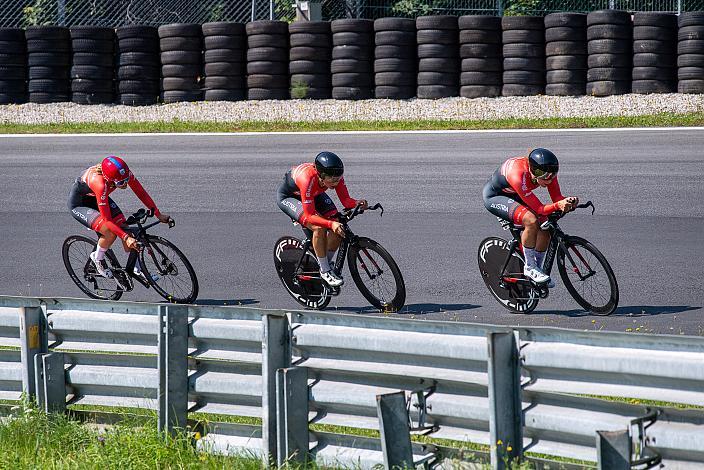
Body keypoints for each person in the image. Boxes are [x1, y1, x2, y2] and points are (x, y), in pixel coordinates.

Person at [483, 148, 578, 285]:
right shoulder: (518, 174)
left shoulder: (547, 172)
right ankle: (529, 267)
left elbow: (557, 198)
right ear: (533, 170)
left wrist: (568, 201)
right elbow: (539, 208)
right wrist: (558, 205)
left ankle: (537, 269)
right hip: (496, 196)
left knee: (545, 226)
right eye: (544, 175)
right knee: (531, 220)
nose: (548, 179)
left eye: (552, 176)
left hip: (516, 194)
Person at [68, 156, 171, 283]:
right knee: (110, 233)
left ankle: (136, 267)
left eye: (126, 180)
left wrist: (158, 214)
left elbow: (140, 192)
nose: (125, 184)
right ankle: (97, 258)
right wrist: (126, 238)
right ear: (109, 180)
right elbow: (107, 220)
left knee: (124, 227)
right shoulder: (101, 184)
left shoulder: (122, 174)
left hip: (98, 198)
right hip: (81, 204)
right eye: (121, 183)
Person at [277, 151, 368, 287]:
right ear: (321, 175)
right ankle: (325, 271)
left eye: (338, 178)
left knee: (339, 224)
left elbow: (346, 201)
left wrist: (357, 203)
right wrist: (331, 224)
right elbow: (309, 215)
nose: (335, 182)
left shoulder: (334, 176)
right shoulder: (307, 178)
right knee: (319, 227)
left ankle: (323, 263)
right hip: (290, 197)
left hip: (312, 194)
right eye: (332, 179)